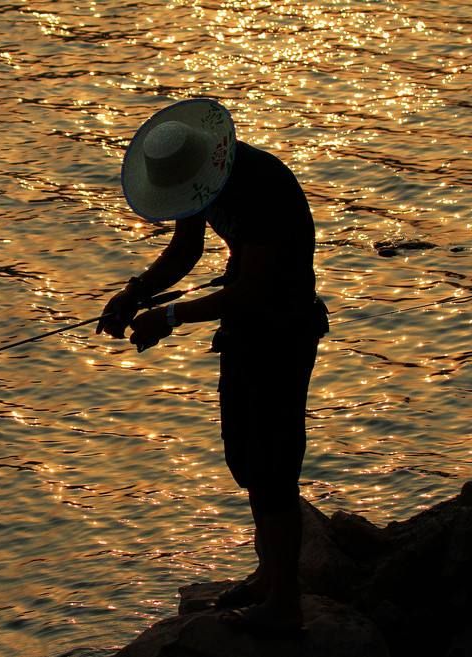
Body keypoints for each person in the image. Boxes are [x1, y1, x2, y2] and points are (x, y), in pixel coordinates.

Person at [97, 98, 328, 638]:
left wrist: (170, 316)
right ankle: (269, 574)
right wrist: (135, 293)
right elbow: (186, 249)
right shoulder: (203, 184)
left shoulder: (262, 188)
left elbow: (252, 289)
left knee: (274, 465)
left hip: (284, 331)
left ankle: (285, 606)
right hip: (246, 333)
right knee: (245, 456)